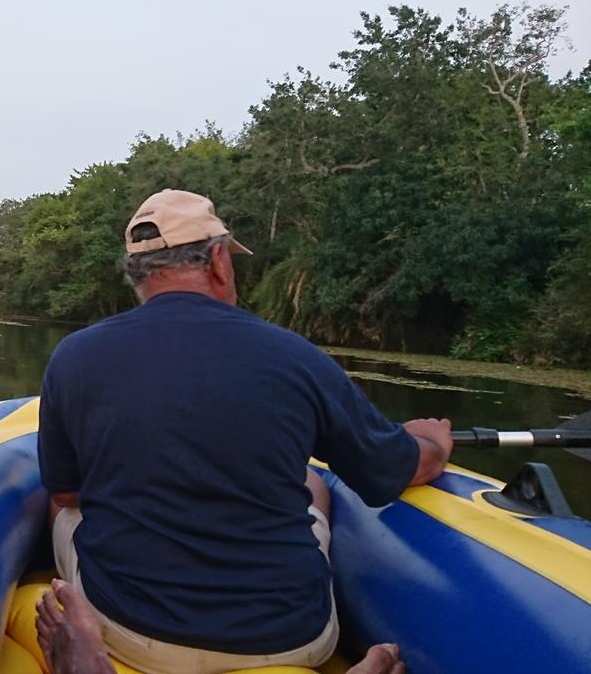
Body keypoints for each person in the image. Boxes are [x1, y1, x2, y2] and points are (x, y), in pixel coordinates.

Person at [35, 189, 451, 674]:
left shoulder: (74, 356)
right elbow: (394, 469)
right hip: (291, 637)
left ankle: (88, 610)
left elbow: (66, 494)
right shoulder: (296, 356)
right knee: (312, 483)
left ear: (137, 276)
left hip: (130, 633)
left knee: (59, 501)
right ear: (218, 261)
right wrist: (433, 442)